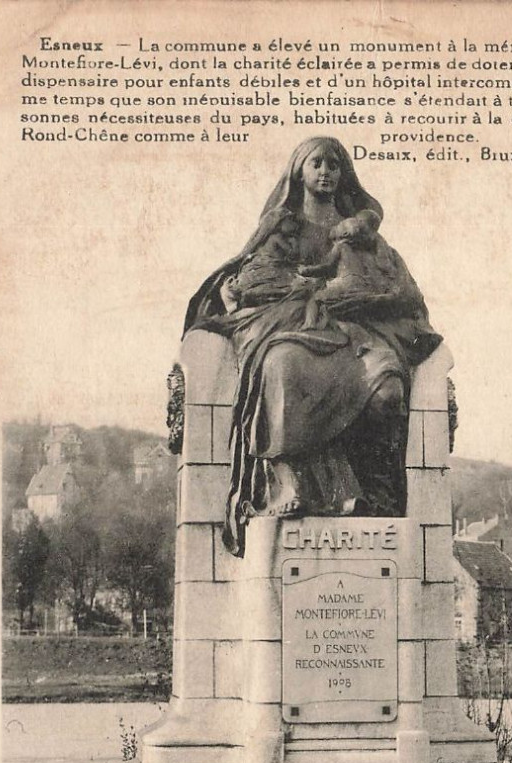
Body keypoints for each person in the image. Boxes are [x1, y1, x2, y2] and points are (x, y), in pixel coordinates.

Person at [183, 137, 442, 556]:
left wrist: (361, 293)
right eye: (317, 163)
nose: (326, 172)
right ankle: (292, 482)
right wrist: (309, 289)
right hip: (292, 324)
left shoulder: (360, 232)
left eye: (334, 165)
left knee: (389, 390)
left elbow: (402, 286)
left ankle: (374, 498)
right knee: (281, 364)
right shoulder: (284, 224)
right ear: (299, 171)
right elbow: (255, 278)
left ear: (344, 175)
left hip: (357, 331)